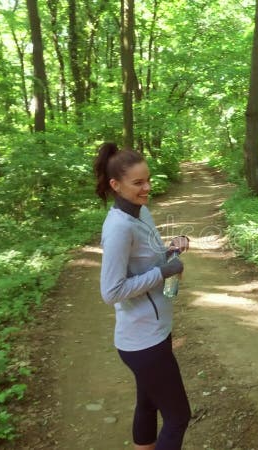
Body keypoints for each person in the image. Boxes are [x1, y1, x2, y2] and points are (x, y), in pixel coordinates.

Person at [94, 142, 191, 450]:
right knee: (178, 417)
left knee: (148, 403)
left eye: (148, 179)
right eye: (138, 183)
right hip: (141, 340)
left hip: (156, 331)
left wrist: (170, 251)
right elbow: (111, 291)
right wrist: (162, 272)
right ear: (115, 185)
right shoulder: (118, 228)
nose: (147, 187)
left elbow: (149, 259)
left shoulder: (141, 211)